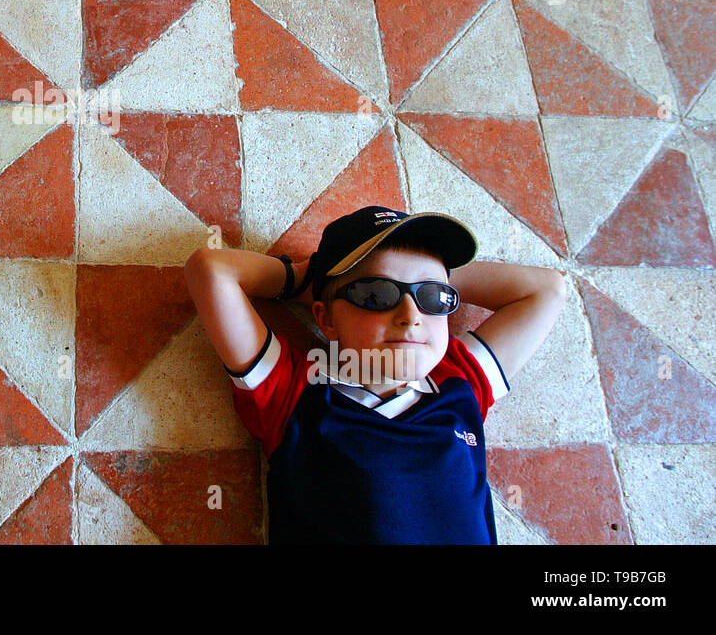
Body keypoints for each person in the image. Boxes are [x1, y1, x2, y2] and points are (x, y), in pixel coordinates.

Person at [183, 205, 565, 544]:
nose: (411, 315)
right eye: (375, 294)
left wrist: (428, 272)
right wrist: (308, 279)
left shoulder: (458, 382)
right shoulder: (296, 393)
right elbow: (211, 271)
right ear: (326, 318)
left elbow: (547, 290)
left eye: (434, 297)